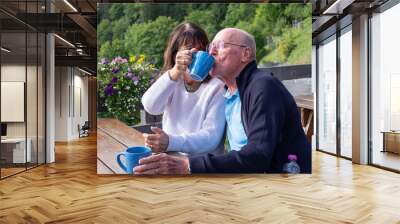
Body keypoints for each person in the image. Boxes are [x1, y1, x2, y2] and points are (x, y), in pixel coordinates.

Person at [135, 28, 312, 174]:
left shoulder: (262, 86)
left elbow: (258, 155)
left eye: (220, 46)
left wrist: (186, 165)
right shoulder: (231, 90)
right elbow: (151, 105)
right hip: (237, 173)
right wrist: (175, 71)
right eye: (211, 46)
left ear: (245, 54)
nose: (210, 52)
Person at [141, 22, 226, 157]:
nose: (196, 53)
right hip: (170, 158)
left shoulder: (218, 86)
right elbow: (151, 107)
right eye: (190, 48)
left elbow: (211, 138)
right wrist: (175, 71)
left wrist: (171, 142)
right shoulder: (172, 81)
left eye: (202, 48)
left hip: (203, 164)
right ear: (176, 53)